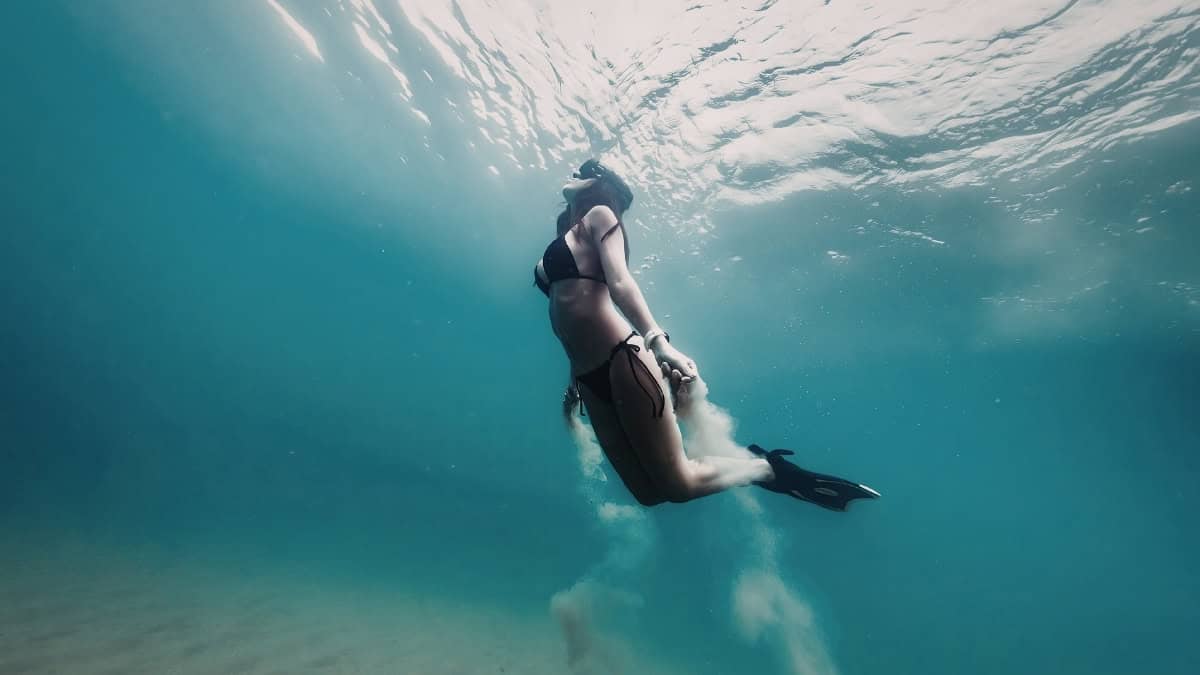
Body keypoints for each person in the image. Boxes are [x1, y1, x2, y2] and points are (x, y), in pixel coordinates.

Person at [534, 159, 879, 511]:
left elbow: (621, 283)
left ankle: (767, 469)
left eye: (586, 171)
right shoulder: (566, 236)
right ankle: (762, 470)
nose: (576, 173)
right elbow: (566, 322)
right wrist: (575, 381)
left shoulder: (601, 216)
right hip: (588, 374)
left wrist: (659, 343)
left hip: (621, 356)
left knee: (679, 485)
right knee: (649, 494)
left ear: (598, 184)